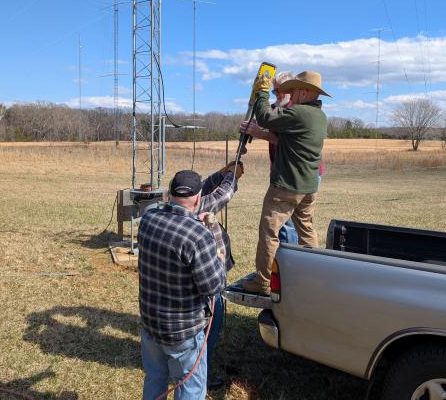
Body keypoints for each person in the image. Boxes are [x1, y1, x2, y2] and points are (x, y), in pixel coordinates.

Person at [241, 70, 329, 295]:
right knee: (307, 231)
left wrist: (261, 92)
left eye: (293, 88)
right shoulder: (319, 116)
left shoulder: (299, 113)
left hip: (286, 186)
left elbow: (265, 117)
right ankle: (314, 274)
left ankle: (263, 281)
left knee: (269, 232)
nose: (288, 93)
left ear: (303, 91)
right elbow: (284, 138)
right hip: (309, 186)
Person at [138, 170, 225, 400]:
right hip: (183, 332)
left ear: (170, 192)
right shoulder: (198, 236)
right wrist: (218, 254)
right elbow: (213, 287)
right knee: (190, 389)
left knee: (155, 378)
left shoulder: (148, 218)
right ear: (197, 199)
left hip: (150, 323)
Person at [198, 161, 243, 390]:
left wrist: (223, 172)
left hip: (209, 274)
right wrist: (232, 176)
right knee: (210, 325)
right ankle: (200, 375)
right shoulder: (198, 208)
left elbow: (206, 186)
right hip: (209, 278)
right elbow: (222, 195)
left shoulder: (181, 202)